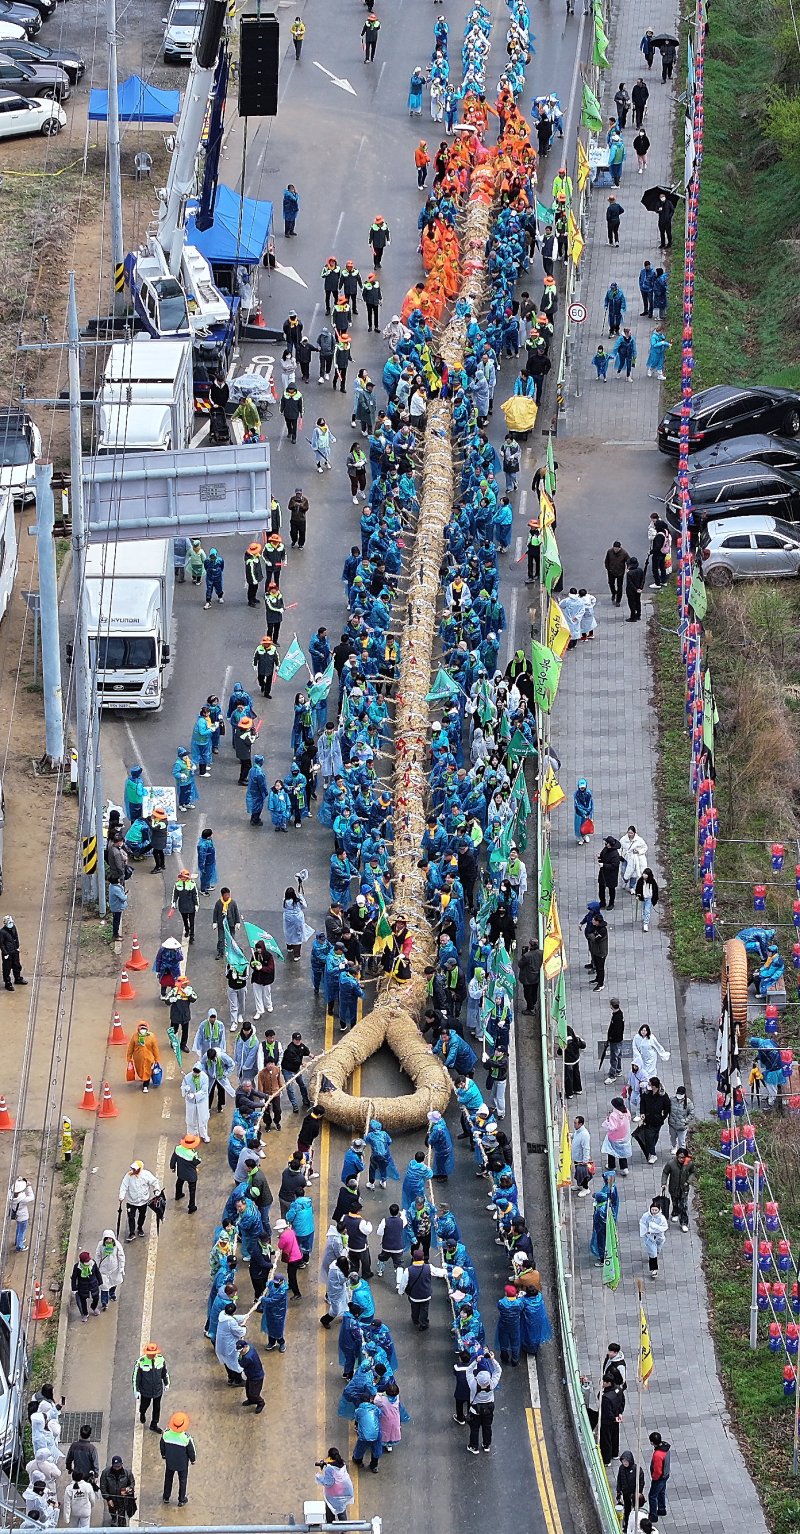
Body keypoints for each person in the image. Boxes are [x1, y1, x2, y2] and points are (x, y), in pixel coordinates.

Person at [466, 1353, 502, 1454]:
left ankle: (474, 1446)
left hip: (475, 1411)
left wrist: (475, 1362)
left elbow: (468, 1371)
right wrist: (492, 1359)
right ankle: (486, 1445)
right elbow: (498, 1370)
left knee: (475, 1429)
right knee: (487, 1427)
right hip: (488, 1410)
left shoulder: (473, 1385)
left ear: (477, 1378)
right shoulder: (492, 1384)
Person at [160, 1411, 195, 1507]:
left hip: (170, 1462)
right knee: (182, 1480)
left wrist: (163, 1455)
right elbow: (191, 1451)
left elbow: (162, 1446)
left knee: (168, 1479)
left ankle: (166, 1497)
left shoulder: (166, 1434)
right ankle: (181, 1499)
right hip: (182, 1464)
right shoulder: (186, 1438)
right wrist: (193, 1460)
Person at [118, 1160, 160, 1241]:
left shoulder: (146, 1175)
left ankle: (140, 1228)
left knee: (142, 1215)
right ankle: (132, 1233)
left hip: (143, 1201)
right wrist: (121, 1196)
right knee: (131, 1217)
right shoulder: (128, 1176)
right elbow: (124, 1186)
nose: (134, 1171)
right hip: (131, 1201)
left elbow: (154, 1182)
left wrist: (157, 1189)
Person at [133, 1342, 169, 1430]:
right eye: (150, 1354)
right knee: (145, 1405)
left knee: (157, 1407)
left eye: (154, 1354)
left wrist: (166, 1382)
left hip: (158, 1390)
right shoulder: (141, 1362)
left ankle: (154, 1424)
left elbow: (164, 1372)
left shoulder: (161, 1360)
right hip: (146, 1390)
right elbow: (136, 1377)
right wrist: (136, 1390)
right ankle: (142, 1413)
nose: (152, 1356)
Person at [315, 1449, 354, 1522]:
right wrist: (326, 1463)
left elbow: (328, 1483)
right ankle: (344, 1528)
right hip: (343, 1491)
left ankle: (330, 1525)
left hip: (333, 1494)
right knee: (341, 1510)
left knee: (330, 1509)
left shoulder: (329, 1469)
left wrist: (319, 1477)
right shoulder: (342, 1463)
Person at [661, 1147, 693, 1230]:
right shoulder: (671, 1163)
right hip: (673, 1188)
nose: (681, 1159)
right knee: (675, 1202)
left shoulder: (689, 1163)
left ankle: (684, 1223)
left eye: (683, 1157)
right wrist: (664, 1183)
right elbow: (665, 1172)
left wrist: (688, 1181)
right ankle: (675, 1213)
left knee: (683, 1206)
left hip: (684, 1188)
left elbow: (693, 1172)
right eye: (680, 1157)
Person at [100, 1457, 136, 1527]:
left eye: (118, 1466)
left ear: (122, 1465)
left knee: (122, 1516)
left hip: (122, 1499)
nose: (117, 1468)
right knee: (112, 1511)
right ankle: (113, 1518)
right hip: (111, 1498)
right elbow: (103, 1487)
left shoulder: (127, 1473)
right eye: (115, 1466)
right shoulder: (105, 1473)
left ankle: (121, 1525)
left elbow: (132, 1483)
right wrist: (108, 1499)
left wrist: (127, 1490)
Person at [170, 1135, 201, 1213]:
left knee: (179, 1182)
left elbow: (173, 1159)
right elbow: (197, 1162)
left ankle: (178, 1194)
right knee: (192, 1190)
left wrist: (172, 1167)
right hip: (191, 1175)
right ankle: (191, 1206)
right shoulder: (192, 1155)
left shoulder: (178, 1149)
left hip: (181, 1171)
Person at [126, 1023, 160, 1094]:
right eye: (141, 1029)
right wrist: (129, 1058)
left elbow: (155, 1049)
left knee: (147, 1071)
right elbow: (131, 1047)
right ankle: (143, 1078)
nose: (143, 1030)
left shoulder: (151, 1037)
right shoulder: (135, 1036)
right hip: (138, 1059)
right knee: (140, 1070)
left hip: (149, 1058)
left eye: (144, 1029)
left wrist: (156, 1059)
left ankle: (145, 1085)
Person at [95, 1229, 125, 1309]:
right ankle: (104, 1303)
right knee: (104, 1287)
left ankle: (112, 1294)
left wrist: (121, 1267)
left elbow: (121, 1256)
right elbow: (98, 1255)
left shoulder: (117, 1245)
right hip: (104, 1270)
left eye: (110, 1238)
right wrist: (96, 1267)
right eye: (107, 1238)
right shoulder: (100, 1245)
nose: (108, 1240)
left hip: (114, 1269)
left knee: (113, 1283)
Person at [599, 1375, 626, 1465]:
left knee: (606, 1440)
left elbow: (607, 1411)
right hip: (616, 1418)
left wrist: (613, 1418)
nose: (602, 1383)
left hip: (607, 1421)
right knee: (615, 1436)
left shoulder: (606, 1397)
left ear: (608, 1383)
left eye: (604, 1382)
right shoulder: (619, 1389)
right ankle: (615, 1454)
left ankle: (606, 1460)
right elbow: (622, 1402)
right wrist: (619, 1414)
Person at [602, 1098, 632, 1175]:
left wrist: (608, 1120)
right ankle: (624, 1168)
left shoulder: (613, 1115)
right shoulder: (626, 1111)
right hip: (624, 1136)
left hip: (615, 1137)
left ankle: (611, 1165)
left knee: (611, 1150)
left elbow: (612, 1127)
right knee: (622, 1152)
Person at [640, 1199, 669, 1278]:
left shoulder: (662, 1218)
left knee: (657, 1249)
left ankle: (654, 1254)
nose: (654, 1211)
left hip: (659, 1237)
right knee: (653, 1252)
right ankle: (654, 1269)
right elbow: (642, 1223)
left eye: (656, 1210)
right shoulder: (646, 1216)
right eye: (653, 1209)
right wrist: (646, 1231)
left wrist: (655, 1227)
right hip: (649, 1237)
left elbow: (664, 1227)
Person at [70, 1251, 101, 1322]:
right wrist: (74, 1288)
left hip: (93, 1285)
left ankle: (93, 1307)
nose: (89, 1262)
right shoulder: (77, 1267)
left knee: (96, 1297)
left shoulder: (93, 1263)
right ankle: (85, 1313)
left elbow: (97, 1272)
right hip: (83, 1287)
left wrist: (100, 1281)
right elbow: (74, 1278)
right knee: (83, 1301)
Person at [237, 1338, 265, 1413]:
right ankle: (251, 1400)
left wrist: (239, 1357)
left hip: (256, 1377)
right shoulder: (250, 1348)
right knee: (248, 1388)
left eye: (241, 1350)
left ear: (245, 1347)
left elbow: (241, 1363)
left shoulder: (247, 1357)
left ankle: (260, 1403)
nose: (240, 1352)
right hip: (251, 1374)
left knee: (254, 1393)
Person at [648, 1431, 671, 1520]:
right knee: (661, 1492)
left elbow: (657, 1470)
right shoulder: (665, 1448)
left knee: (652, 1496)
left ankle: (653, 1516)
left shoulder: (658, 1454)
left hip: (659, 1478)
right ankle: (662, 1509)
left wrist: (654, 1478)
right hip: (665, 1475)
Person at [171, 869, 199, 943]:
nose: (183, 878)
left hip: (191, 905)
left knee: (192, 921)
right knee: (185, 920)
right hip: (182, 906)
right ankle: (187, 930)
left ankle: (192, 936)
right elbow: (175, 894)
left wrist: (196, 904)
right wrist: (173, 902)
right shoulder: (177, 884)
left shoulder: (192, 884)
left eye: (184, 877)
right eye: (182, 877)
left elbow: (195, 895)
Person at [213, 887, 241, 959]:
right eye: (226, 895)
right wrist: (214, 922)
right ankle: (220, 952)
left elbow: (236, 912)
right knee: (221, 939)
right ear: (222, 895)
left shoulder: (233, 903)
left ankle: (233, 951)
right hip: (221, 925)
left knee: (232, 938)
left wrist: (237, 922)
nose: (227, 896)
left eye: (228, 894)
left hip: (231, 924)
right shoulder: (218, 903)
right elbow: (215, 912)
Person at [282, 885, 308, 961]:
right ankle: (296, 955)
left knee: (288, 933)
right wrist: (301, 896)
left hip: (288, 919)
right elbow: (304, 906)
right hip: (297, 920)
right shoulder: (297, 901)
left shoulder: (285, 901)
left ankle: (289, 947)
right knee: (297, 936)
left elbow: (283, 908)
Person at [0, 915, 26, 989]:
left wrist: (17, 947)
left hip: (14, 951)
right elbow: (1, 944)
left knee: (17, 965)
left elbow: (16, 937)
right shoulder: (2, 932)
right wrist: (5, 953)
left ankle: (17, 978)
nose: (11, 924)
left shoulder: (14, 928)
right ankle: (8, 983)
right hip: (7, 953)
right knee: (7, 968)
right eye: (9, 922)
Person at [603, 998, 625, 1082]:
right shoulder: (619, 1014)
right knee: (618, 1055)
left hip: (615, 1041)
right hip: (618, 1039)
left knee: (614, 1058)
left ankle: (612, 1075)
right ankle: (618, 1070)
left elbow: (615, 1030)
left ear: (612, 1006)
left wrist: (610, 1038)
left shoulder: (617, 1018)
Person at [10, 1175, 33, 1250]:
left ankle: (18, 1241)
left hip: (17, 1215)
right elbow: (31, 1197)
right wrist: (29, 1186)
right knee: (22, 1231)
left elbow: (15, 1187)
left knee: (19, 1229)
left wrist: (20, 1180)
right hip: (23, 1217)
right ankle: (19, 1246)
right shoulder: (22, 1199)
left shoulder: (10, 1195)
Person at [667, 1087, 694, 1153]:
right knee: (672, 1138)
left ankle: (682, 1152)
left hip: (682, 1126)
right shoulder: (672, 1099)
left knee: (682, 1141)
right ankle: (674, 1147)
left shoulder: (688, 1102)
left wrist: (685, 1121)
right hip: (672, 1124)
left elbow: (692, 1114)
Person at [572, 1116, 592, 1194]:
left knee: (583, 1174)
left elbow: (586, 1148)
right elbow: (576, 1136)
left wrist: (585, 1160)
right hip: (577, 1157)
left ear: (580, 1124)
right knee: (578, 1172)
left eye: (575, 1123)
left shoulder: (584, 1135)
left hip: (581, 1159)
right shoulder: (578, 1131)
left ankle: (585, 1188)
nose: (574, 1125)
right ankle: (579, 1185)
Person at [574, 777, 594, 844]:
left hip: (587, 812)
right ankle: (579, 837)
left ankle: (585, 835)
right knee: (578, 824)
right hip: (579, 813)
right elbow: (578, 805)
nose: (582, 789)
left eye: (583, 787)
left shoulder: (588, 793)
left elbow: (590, 803)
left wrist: (588, 813)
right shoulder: (576, 794)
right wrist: (583, 813)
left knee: (586, 824)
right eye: (581, 787)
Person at [625, 556, 645, 621]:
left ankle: (633, 617)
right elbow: (643, 580)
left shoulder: (629, 573)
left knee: (631, 603)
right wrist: (640, 588)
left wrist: (635, 589)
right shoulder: (640, 570)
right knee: (638, 602)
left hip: (631, 591)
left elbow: (630, 583)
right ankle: (638, 615)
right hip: (639, 590)